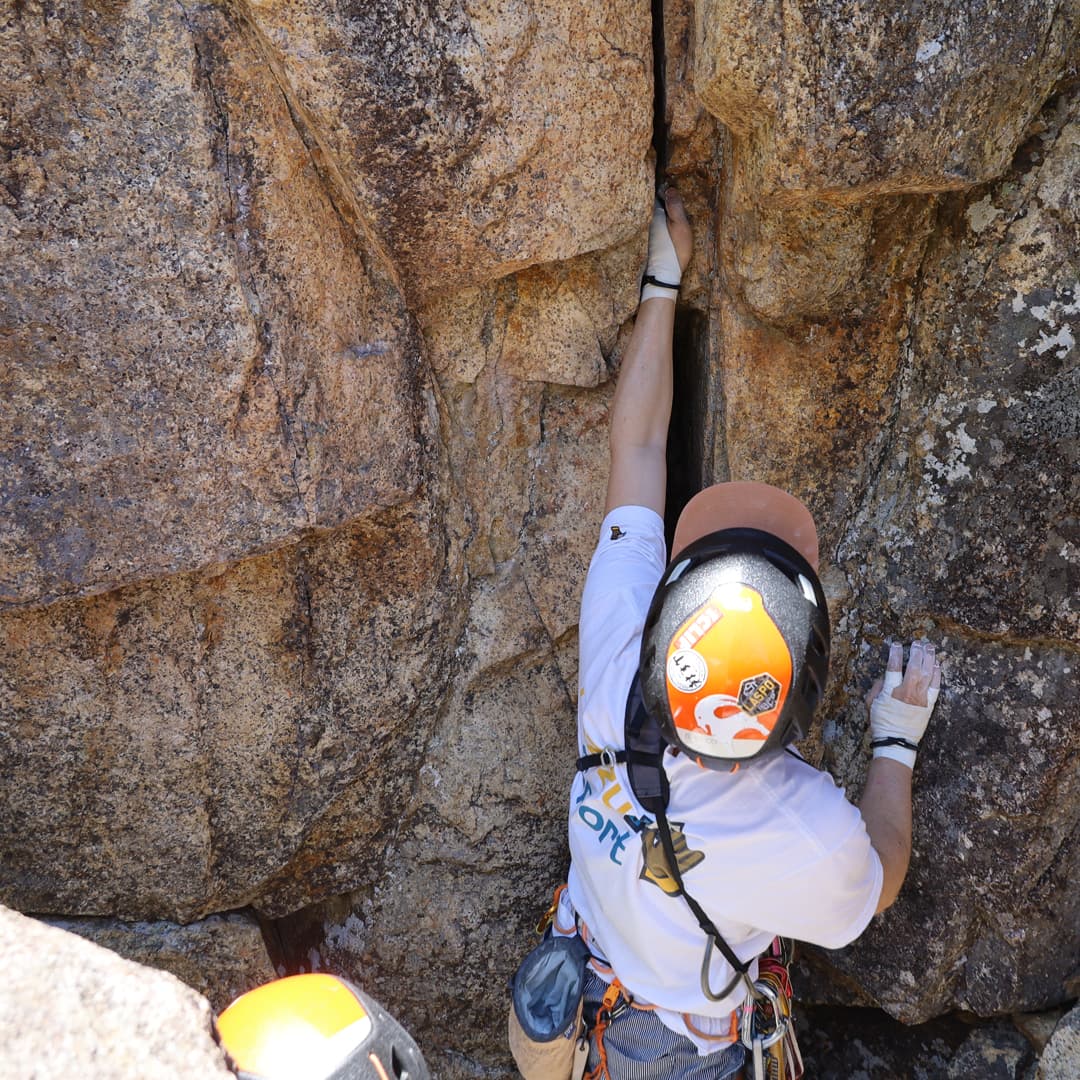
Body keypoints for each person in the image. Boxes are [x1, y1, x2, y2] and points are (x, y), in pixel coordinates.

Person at [553, 189, 942, 1079]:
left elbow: (639, 453)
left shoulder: (616, 657)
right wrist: (896, 740)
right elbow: (878, 880)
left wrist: (661, 281)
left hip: (572, 1000)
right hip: (680, 1054)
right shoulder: (797, 826)